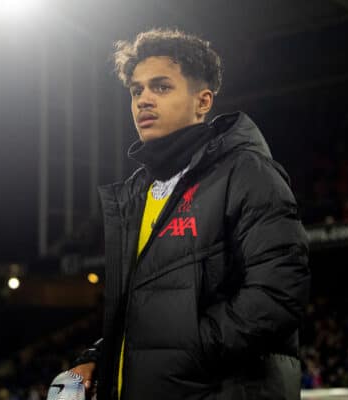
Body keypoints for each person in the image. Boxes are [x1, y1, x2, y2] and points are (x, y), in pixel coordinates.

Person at [68, 29, 310, 400]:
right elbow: (148, 310)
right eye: (137, 91)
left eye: (161, 87)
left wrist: (188, 352)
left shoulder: (247, 172)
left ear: (203, 101)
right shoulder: (138, 192)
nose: (144, 100)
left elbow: (277, 296)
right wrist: (100, 357)